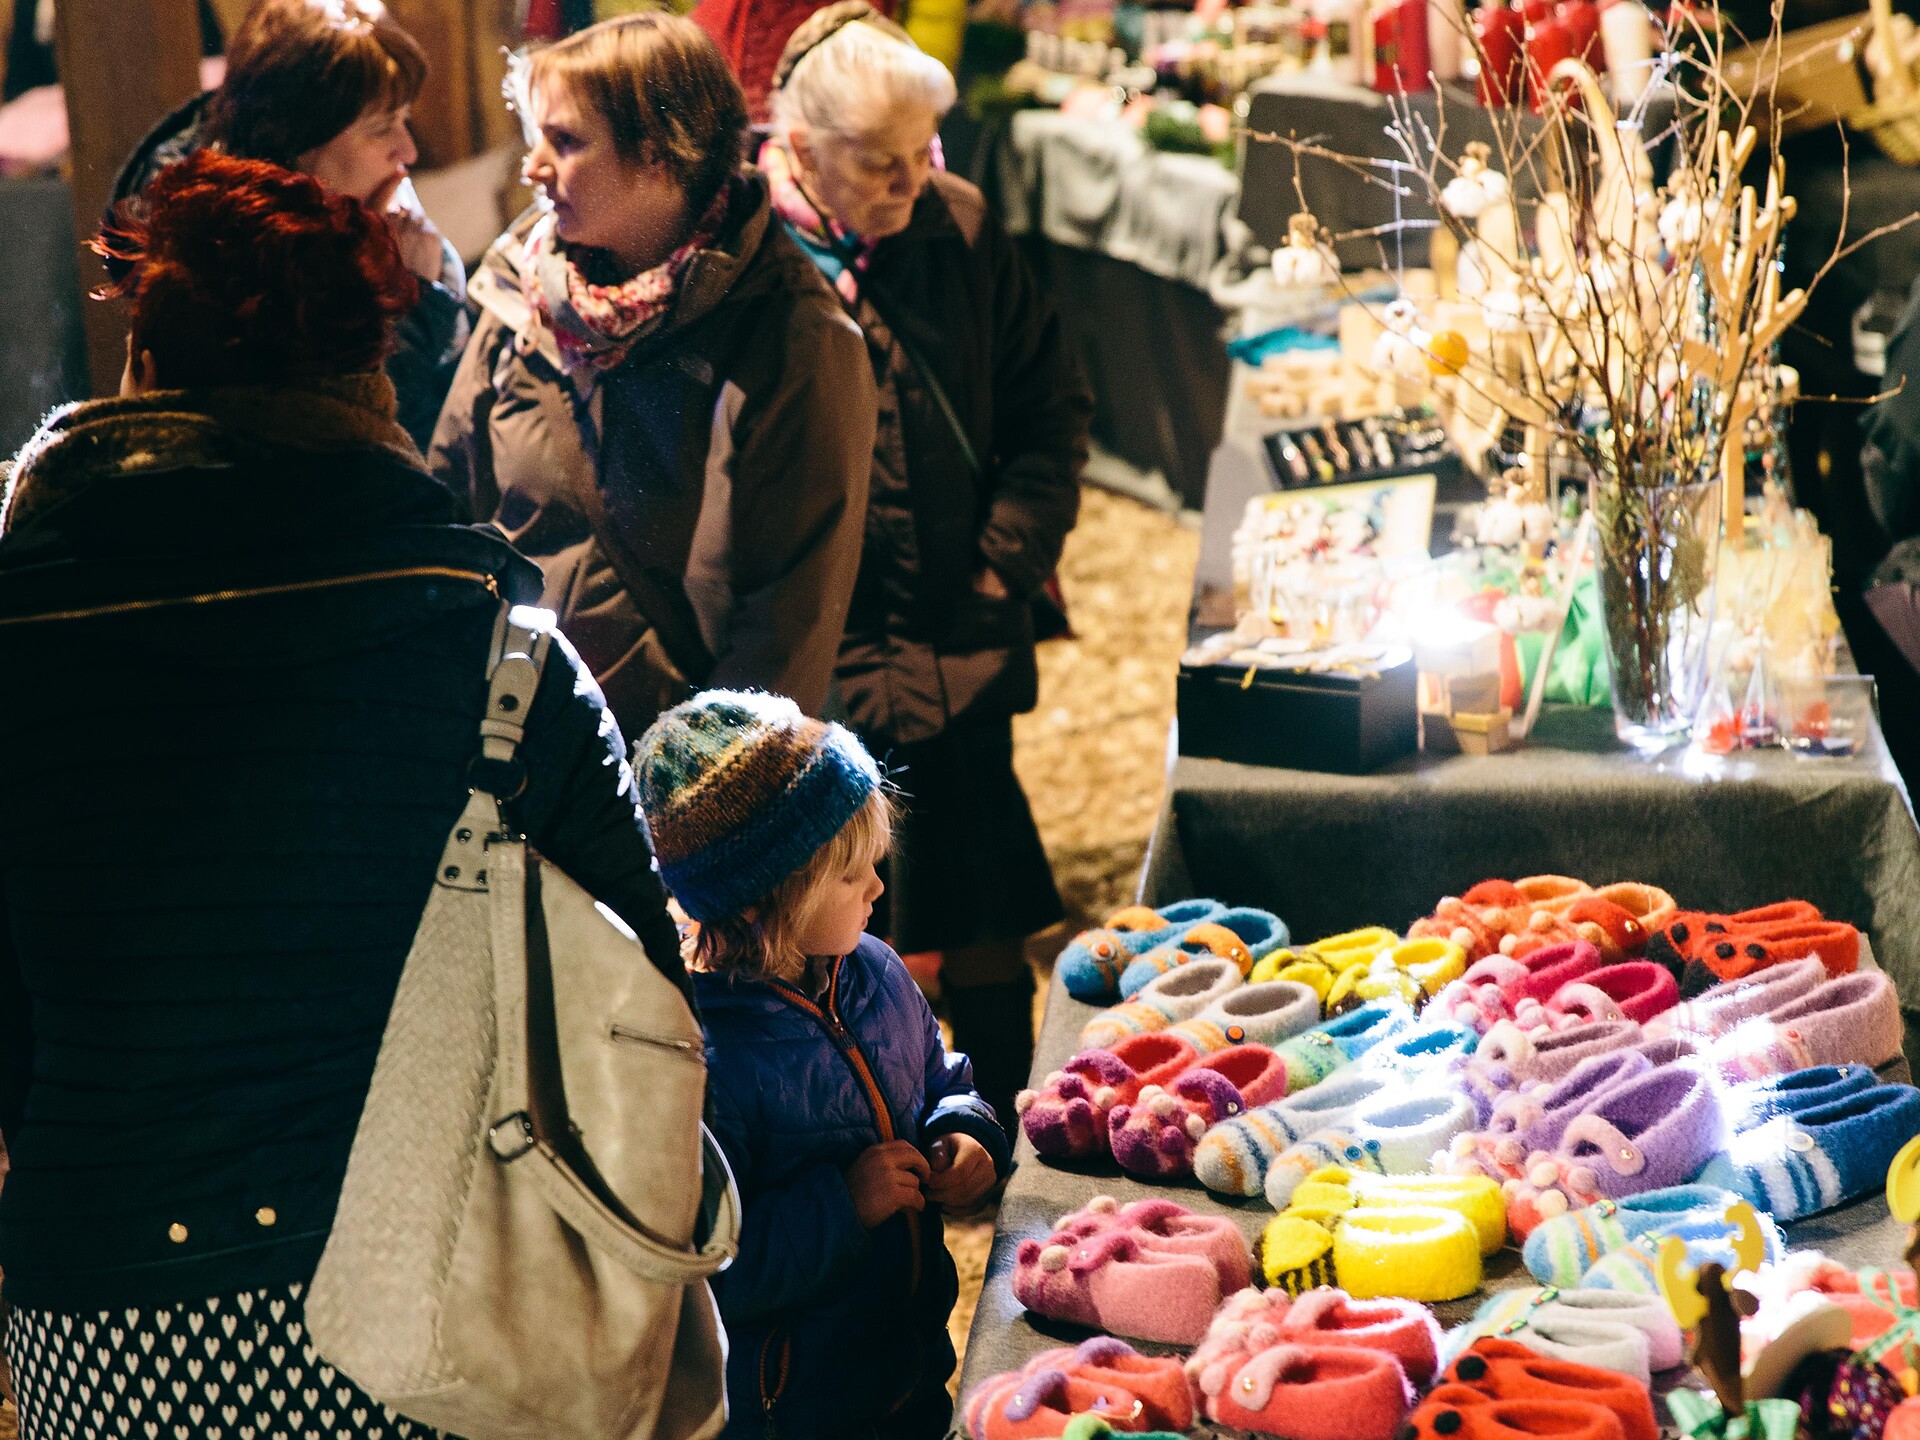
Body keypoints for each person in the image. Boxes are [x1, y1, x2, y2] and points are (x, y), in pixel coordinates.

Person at [0, 151, 691, 1440]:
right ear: (373, 374)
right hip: (430, 1298)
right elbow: (645, 990)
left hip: (99, 1288)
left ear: (146, 367)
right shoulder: (497, 644)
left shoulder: (19, 628)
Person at [762, 5, 1091, 1133]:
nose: (910, 183)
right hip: (825, 653)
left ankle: (1012, 1132)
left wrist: (1004, 564)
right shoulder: (755, 264)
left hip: (957, 627)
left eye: (922, 158)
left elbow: (1052, 407)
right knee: (836, 914)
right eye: (879, 164)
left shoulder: (957, 225)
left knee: (985, 892)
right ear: (801, 150)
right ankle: (873, 1143)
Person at [431, 13, 875, 746]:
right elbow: (447, 504)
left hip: (670, 773)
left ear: (660, 155)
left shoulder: (793, 340)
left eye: (565, 141)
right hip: (514, 747)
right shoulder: (522, 291)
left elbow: (789, 620)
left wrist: (706, 796)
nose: (532, 166)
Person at [634, 691, 1012, 1440]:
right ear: (760, 902)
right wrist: (846, 1204)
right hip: (793, 1409)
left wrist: (965, 1131)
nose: (877, 886)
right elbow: (706, 1267)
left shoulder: (870, 966)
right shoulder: (705, 1058)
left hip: (906, 1369)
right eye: (849, 875)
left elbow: (939, 1071)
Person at [110, 0, 469, 451]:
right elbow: (348, 451)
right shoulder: (204, 269)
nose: (408, 150)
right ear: (293, 140)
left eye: (405, 121)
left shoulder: (401, 233)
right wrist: (413, 302)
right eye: (382, 127)